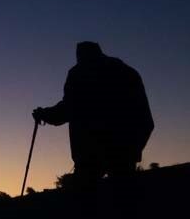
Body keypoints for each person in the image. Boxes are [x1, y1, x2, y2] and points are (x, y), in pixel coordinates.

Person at [33, 41, 153, 183]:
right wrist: (134, 148)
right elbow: (145, 118)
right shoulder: (128, 72)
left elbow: (69, 108)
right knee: (124, 197)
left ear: (80, 55)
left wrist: (44, 114)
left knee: (86, 199)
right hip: (125, 149)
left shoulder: (80, 73)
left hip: (90, 154)